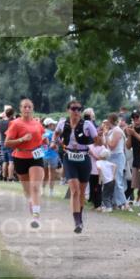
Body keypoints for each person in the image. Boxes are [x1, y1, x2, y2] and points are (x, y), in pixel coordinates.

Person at [52, 100, 99, 233]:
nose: (77, 111)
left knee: (82, 191)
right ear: (68, 110)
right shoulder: (62, 123)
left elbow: (97, 140)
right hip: (69, 157)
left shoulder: (87, 124)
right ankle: (77, 221)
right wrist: (54, 142)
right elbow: (56, 133)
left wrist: (97, 139)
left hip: (84, 158)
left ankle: (80, 217)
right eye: (74, 109)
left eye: (79, 109)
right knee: (74, 190)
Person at [3, 98, 46, 228]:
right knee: (27, 190)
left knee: (35, 187)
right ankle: (32, 205)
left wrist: (45, 141)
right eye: (24, 107)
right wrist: (22, 139)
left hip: (36, 156)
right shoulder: (15, 124)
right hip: (20, 156)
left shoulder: (37, 123)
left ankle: (36, 217)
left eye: (29, 107)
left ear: (32, 109)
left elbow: (42, 138)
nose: (27, 109)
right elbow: (7, 143)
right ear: (20, 109)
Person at [104, 113, 129, 210]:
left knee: (118, 180)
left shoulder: (117, 131)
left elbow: (112, 145)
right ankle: (115, 202)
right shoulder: (111, 131)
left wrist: (106, 136)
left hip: (117, 157)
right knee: (112, 180)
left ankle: (123, 203)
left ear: (110, 120)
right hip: (111, 156)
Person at [41, 118, 61, 196]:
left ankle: (42, 190)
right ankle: (51, 192)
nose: (54, 126)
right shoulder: (53, 133)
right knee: (52, 174)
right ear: (49, 125)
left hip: (43, 155)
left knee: (44, 174)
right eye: (53, 124)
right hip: (53, 155)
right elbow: (59, 143)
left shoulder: (42, 133)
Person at [0, 105, 14, 181]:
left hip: (2, 142)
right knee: (11, 162)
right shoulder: (11, 123)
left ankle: (4, 177)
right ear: (11, 114)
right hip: (10, 143)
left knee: (5, 161)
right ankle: (10, 177)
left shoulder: (0, 123)